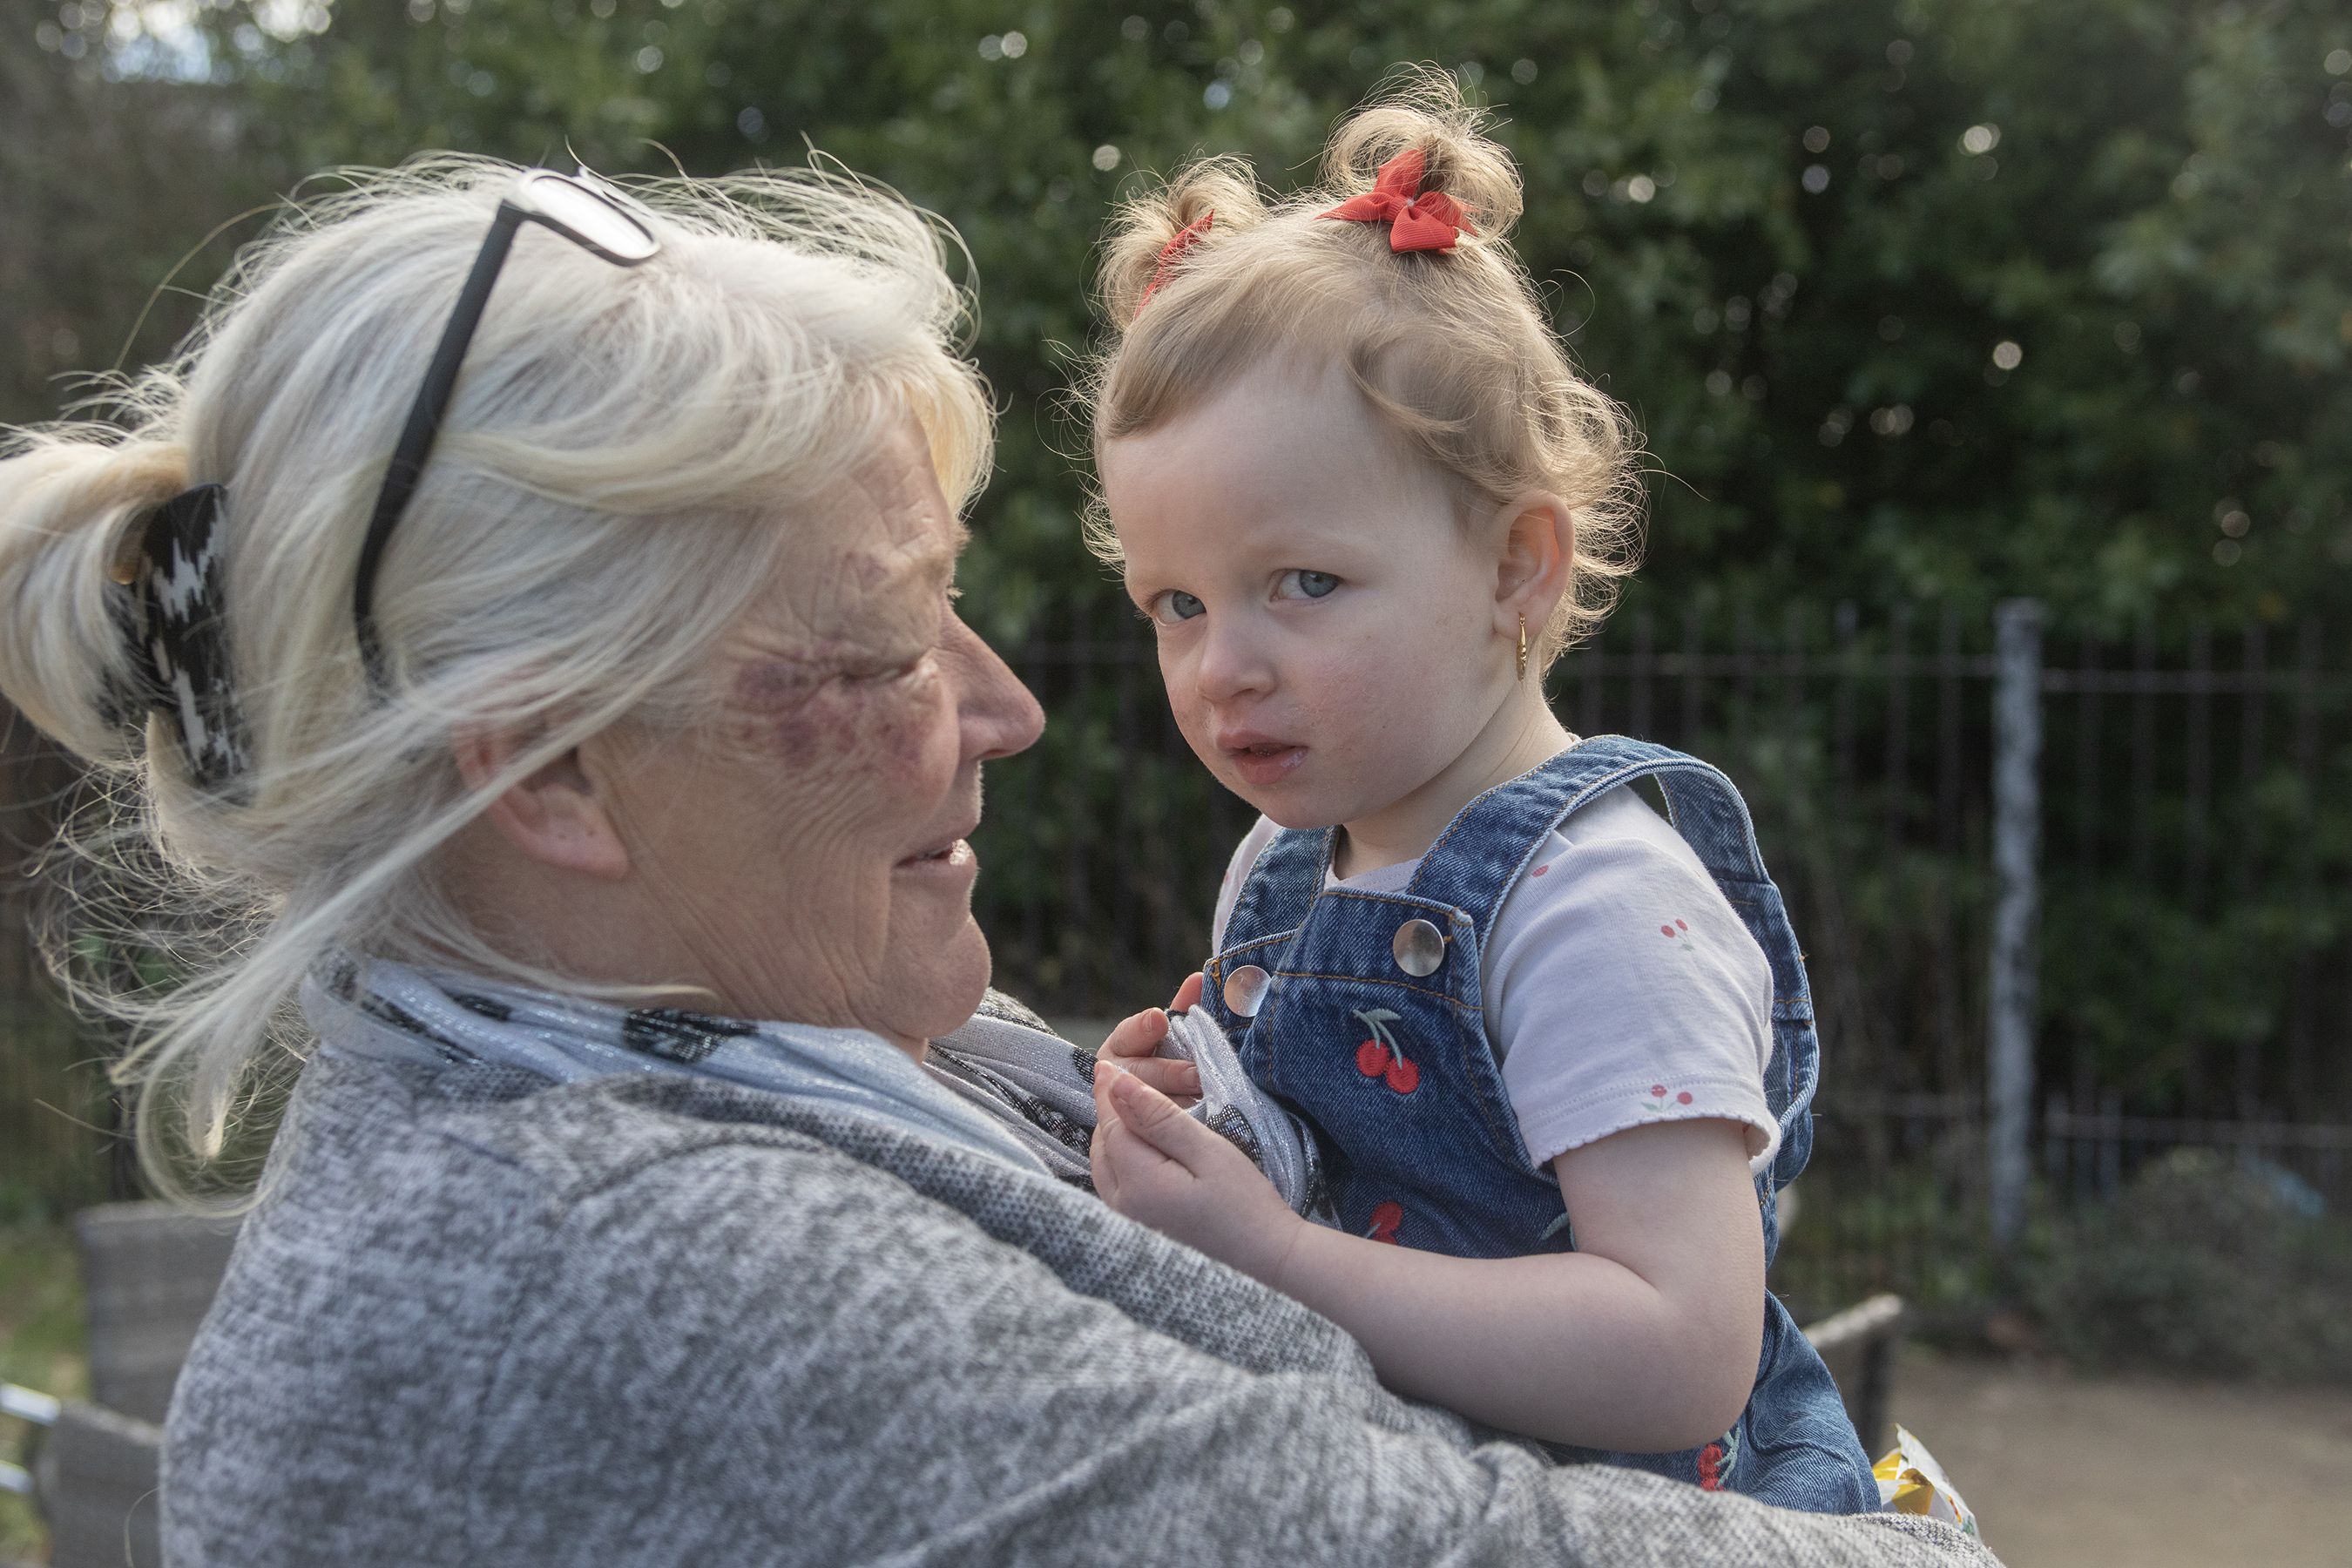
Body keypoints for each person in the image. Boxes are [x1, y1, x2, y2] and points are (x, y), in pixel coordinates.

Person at [0, 157, 1992, 1565]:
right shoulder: (628, 1291)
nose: (1011, 705)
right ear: (555, 779)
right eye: (885, 643)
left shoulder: (712, 1037)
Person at [1082, 74, 1879, 1512]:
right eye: (1176, 603)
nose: (1223, 670)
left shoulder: (1599, 910)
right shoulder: (1285, 861)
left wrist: (1272, 1253)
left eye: (1302, 584)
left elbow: (1682, 1350)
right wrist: (1219, 1121)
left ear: (1519, 566)